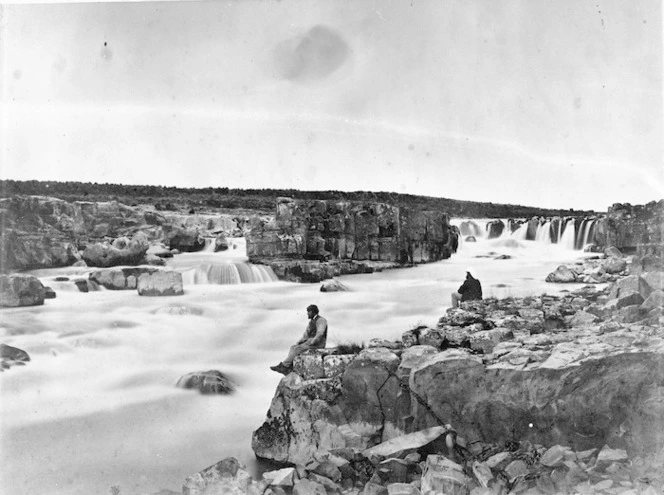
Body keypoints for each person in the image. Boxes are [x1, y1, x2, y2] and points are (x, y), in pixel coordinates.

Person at [270, 304, 328, 375]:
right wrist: (299, 342)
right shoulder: (311, 322)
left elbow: (320, 333)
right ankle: (289, 366)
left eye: (308, 312)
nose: (307, 313)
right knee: (293, 347)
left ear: (313, 312)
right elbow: (305, 335)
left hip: (318, 343)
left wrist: (313, 341)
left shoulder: (321, 320)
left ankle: (284, 365)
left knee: (298, 349)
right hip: (310, 341)